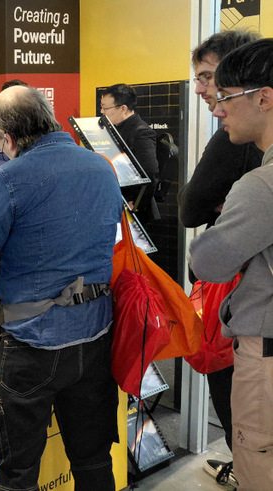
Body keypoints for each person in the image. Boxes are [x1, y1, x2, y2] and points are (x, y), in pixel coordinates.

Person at [0, 85, 122, 490]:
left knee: (17, 477)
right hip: (96, 337)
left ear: (7, 139)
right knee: (94, 461)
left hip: (31, 347)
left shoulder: (7, 179)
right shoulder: (102, 167)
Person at [177, 28, 262, 488]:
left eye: (214, 81)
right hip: (244, 310)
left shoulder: (250, 166)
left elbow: (192, 212)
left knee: (248, 427)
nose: (206, 92)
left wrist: (227, 208)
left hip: (245, 314)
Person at [101, 83, 159, 220]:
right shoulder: (114, 129)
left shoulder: (141, 132)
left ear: (123, 109)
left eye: (105, 108)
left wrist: (138, 203)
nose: (102, 112)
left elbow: (150, 171)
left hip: (134, 210)